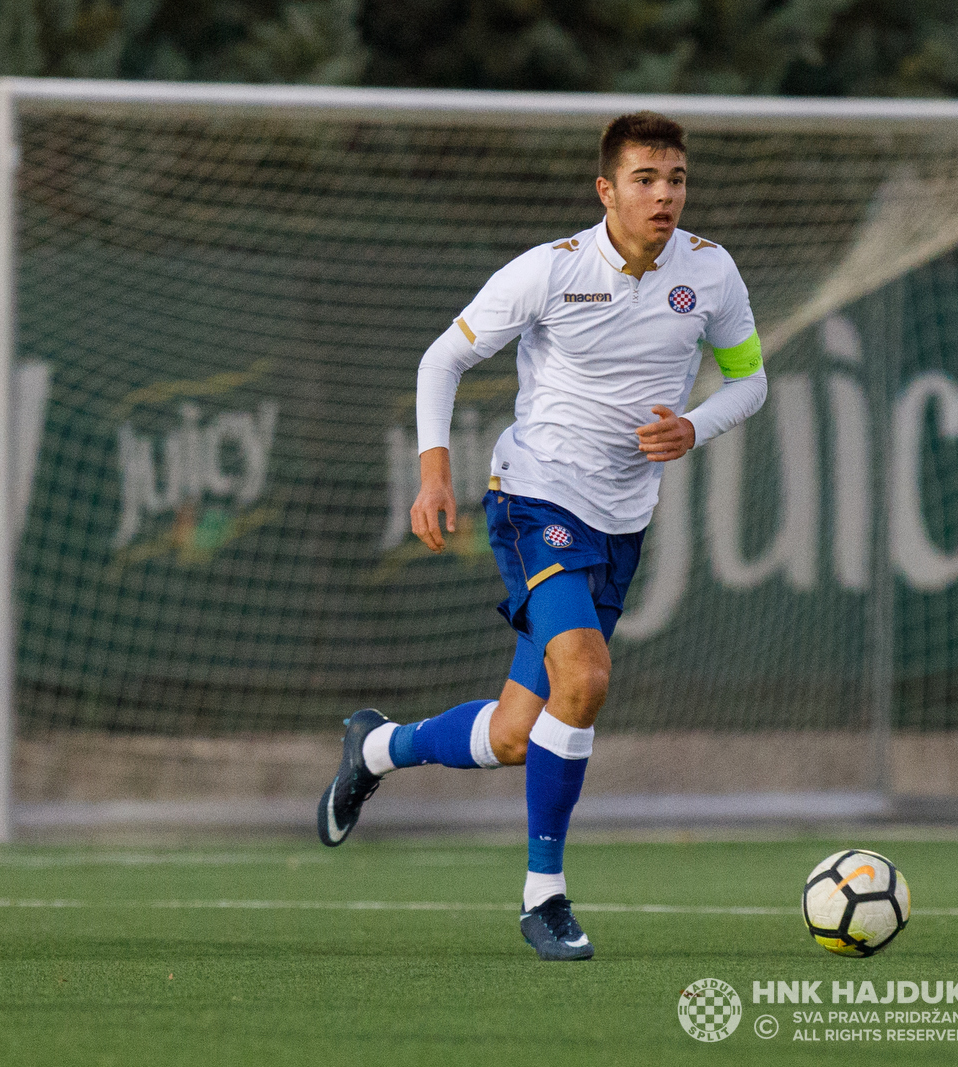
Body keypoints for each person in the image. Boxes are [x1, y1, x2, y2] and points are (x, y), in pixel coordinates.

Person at [316, 112, 767, 960]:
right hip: (534, 495)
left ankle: (373, 746)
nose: (664, 194)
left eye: (675, 178)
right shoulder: (550, 272)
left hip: (623, 518)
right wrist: (434, 472)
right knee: (587, 676)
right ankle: (543, 896)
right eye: (645, 179)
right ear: (606, 190)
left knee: (519, 734)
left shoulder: (709, 270)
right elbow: (440, 360)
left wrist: (696, 428)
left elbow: (751, 379)